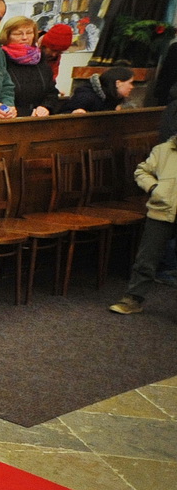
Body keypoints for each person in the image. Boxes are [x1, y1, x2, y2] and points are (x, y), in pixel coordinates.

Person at [109, 133, 177, 316]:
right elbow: (141, 171)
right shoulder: (162, 150)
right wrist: (155, 188)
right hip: (161, 210)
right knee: (146, 258)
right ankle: (133, 299)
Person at [0, 16, 61, 117]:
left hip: (39, 119)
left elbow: (52, 91)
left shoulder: (40, 59)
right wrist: (25, 112)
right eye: (18, 34)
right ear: (7, 36)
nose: (24, 37)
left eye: (29, 33)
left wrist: (46, 107)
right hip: (10, 118)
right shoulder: (0, 58)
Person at [63, 65, 136, 114]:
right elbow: (63, 114)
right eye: (130, 83)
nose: (132, 87)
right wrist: (74, 113)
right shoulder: (86, 96)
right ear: (118, 83)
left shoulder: (113, 98)